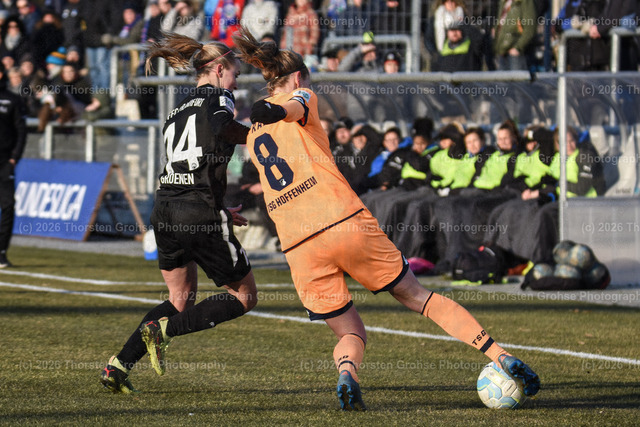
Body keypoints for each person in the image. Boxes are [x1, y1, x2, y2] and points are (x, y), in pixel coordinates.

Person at [232, 25, 540, 411]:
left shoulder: (255, 131)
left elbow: (267, 119)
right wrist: (279, 108)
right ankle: (499, 354)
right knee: (417, 296)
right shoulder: (301, 96)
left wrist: (260, 113)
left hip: (298, 244)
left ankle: (348, 374)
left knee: (350, 330)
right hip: (341, 220)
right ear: (297, 78)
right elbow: (295, 105)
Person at [100, 32, 258, 394]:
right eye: (235, 74)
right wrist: (259, 135)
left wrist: (217, 207)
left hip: (166, 209)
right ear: (219, 69)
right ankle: (164, 330)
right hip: (196, 211)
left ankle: (119, 365)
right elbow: (222, 127)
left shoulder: (177, 109)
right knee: (244, 296)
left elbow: (190, 162)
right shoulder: (219, 96)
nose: (236, 83)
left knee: (179, 299)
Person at [0, 62, 27, 268]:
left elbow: (21, 131)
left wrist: (14, 158)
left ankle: (1, 252)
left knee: (8, 205)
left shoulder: (13, 100)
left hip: (4, 161)